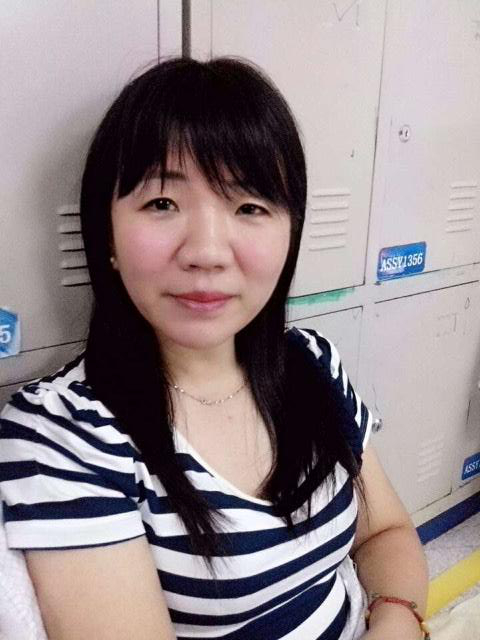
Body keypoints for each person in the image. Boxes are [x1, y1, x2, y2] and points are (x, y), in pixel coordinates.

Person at [0, 57, 429, 639]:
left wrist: (396, 618)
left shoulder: (310, 364)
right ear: (106, 235)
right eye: (162, 203)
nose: (206, 251)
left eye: (249, 207)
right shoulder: (64, 436)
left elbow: (387, 533)